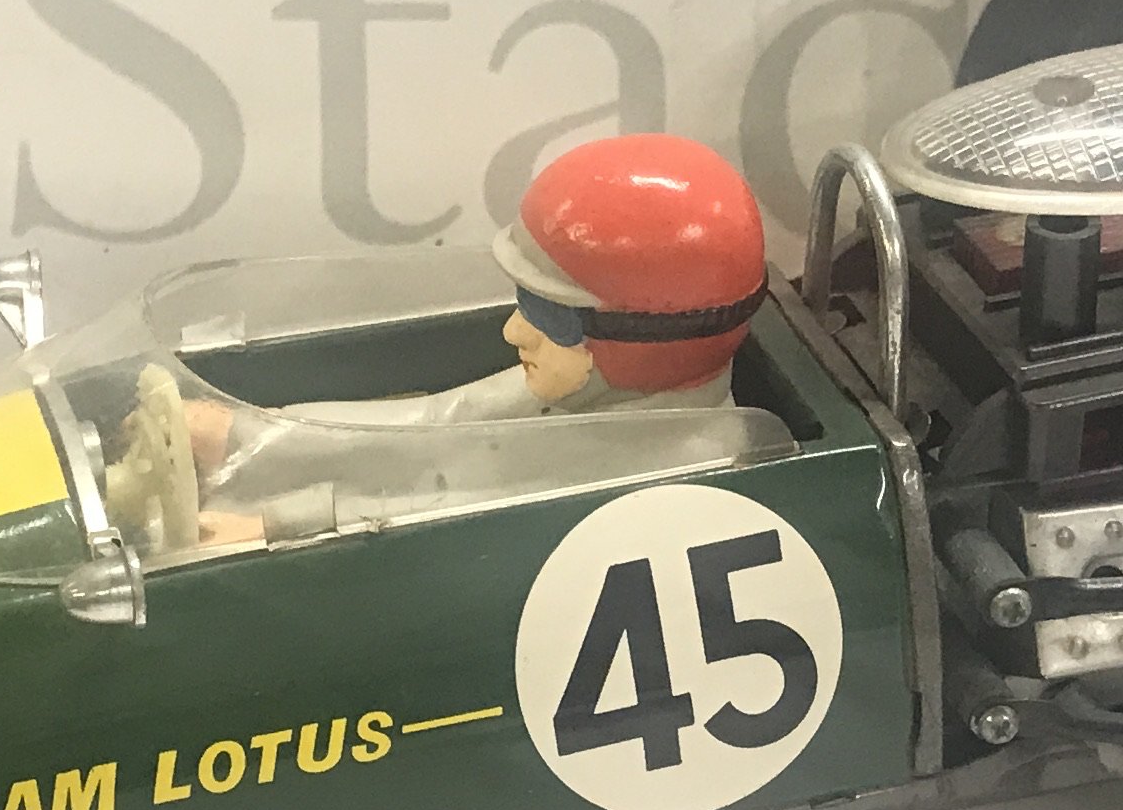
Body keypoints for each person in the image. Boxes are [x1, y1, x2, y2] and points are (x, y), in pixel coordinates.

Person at [184, 135, 768, 544]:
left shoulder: (680, 465)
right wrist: (247, 434)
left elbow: (448, 515)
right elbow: (435, 422)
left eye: (547, 313)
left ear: (643, 342)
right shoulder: (594, 382)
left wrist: (271, 528)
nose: (514, 331)